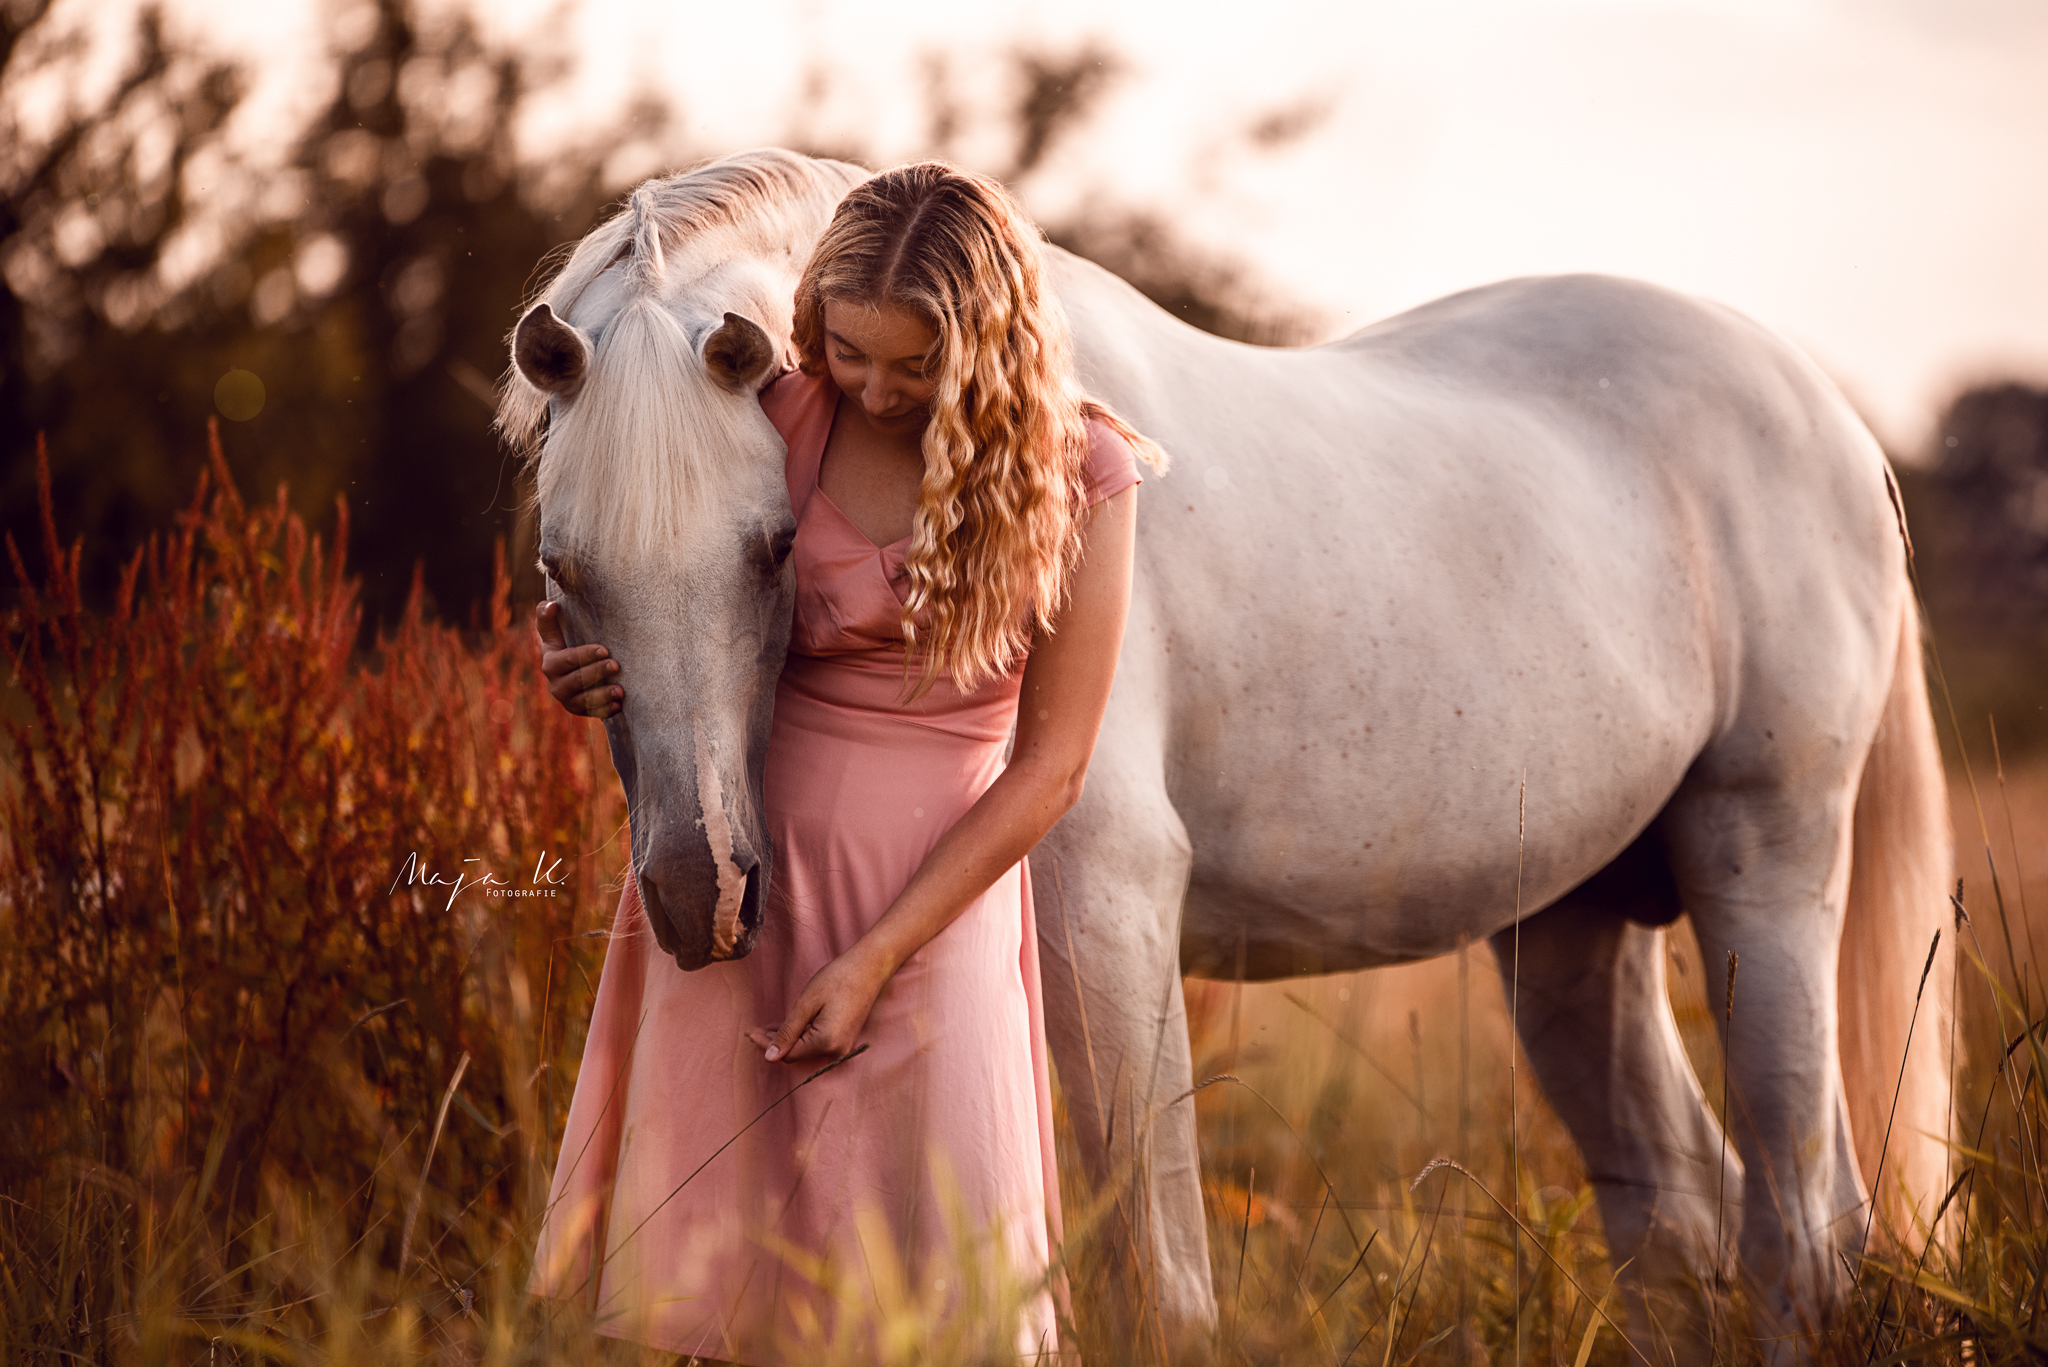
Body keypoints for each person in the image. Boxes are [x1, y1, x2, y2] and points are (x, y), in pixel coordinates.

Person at [531, 161, 1159, 1363]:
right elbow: (643, 565)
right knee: (711, 1275)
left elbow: (1052, 767)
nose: (871, 388)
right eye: (848, 349)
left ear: (987, 342)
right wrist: (570, 656)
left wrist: (878, 954)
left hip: (933, 899)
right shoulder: (777, 414)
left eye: (913, 364)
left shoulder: (1080, 472)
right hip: (748, 867)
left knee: (932, 1283)